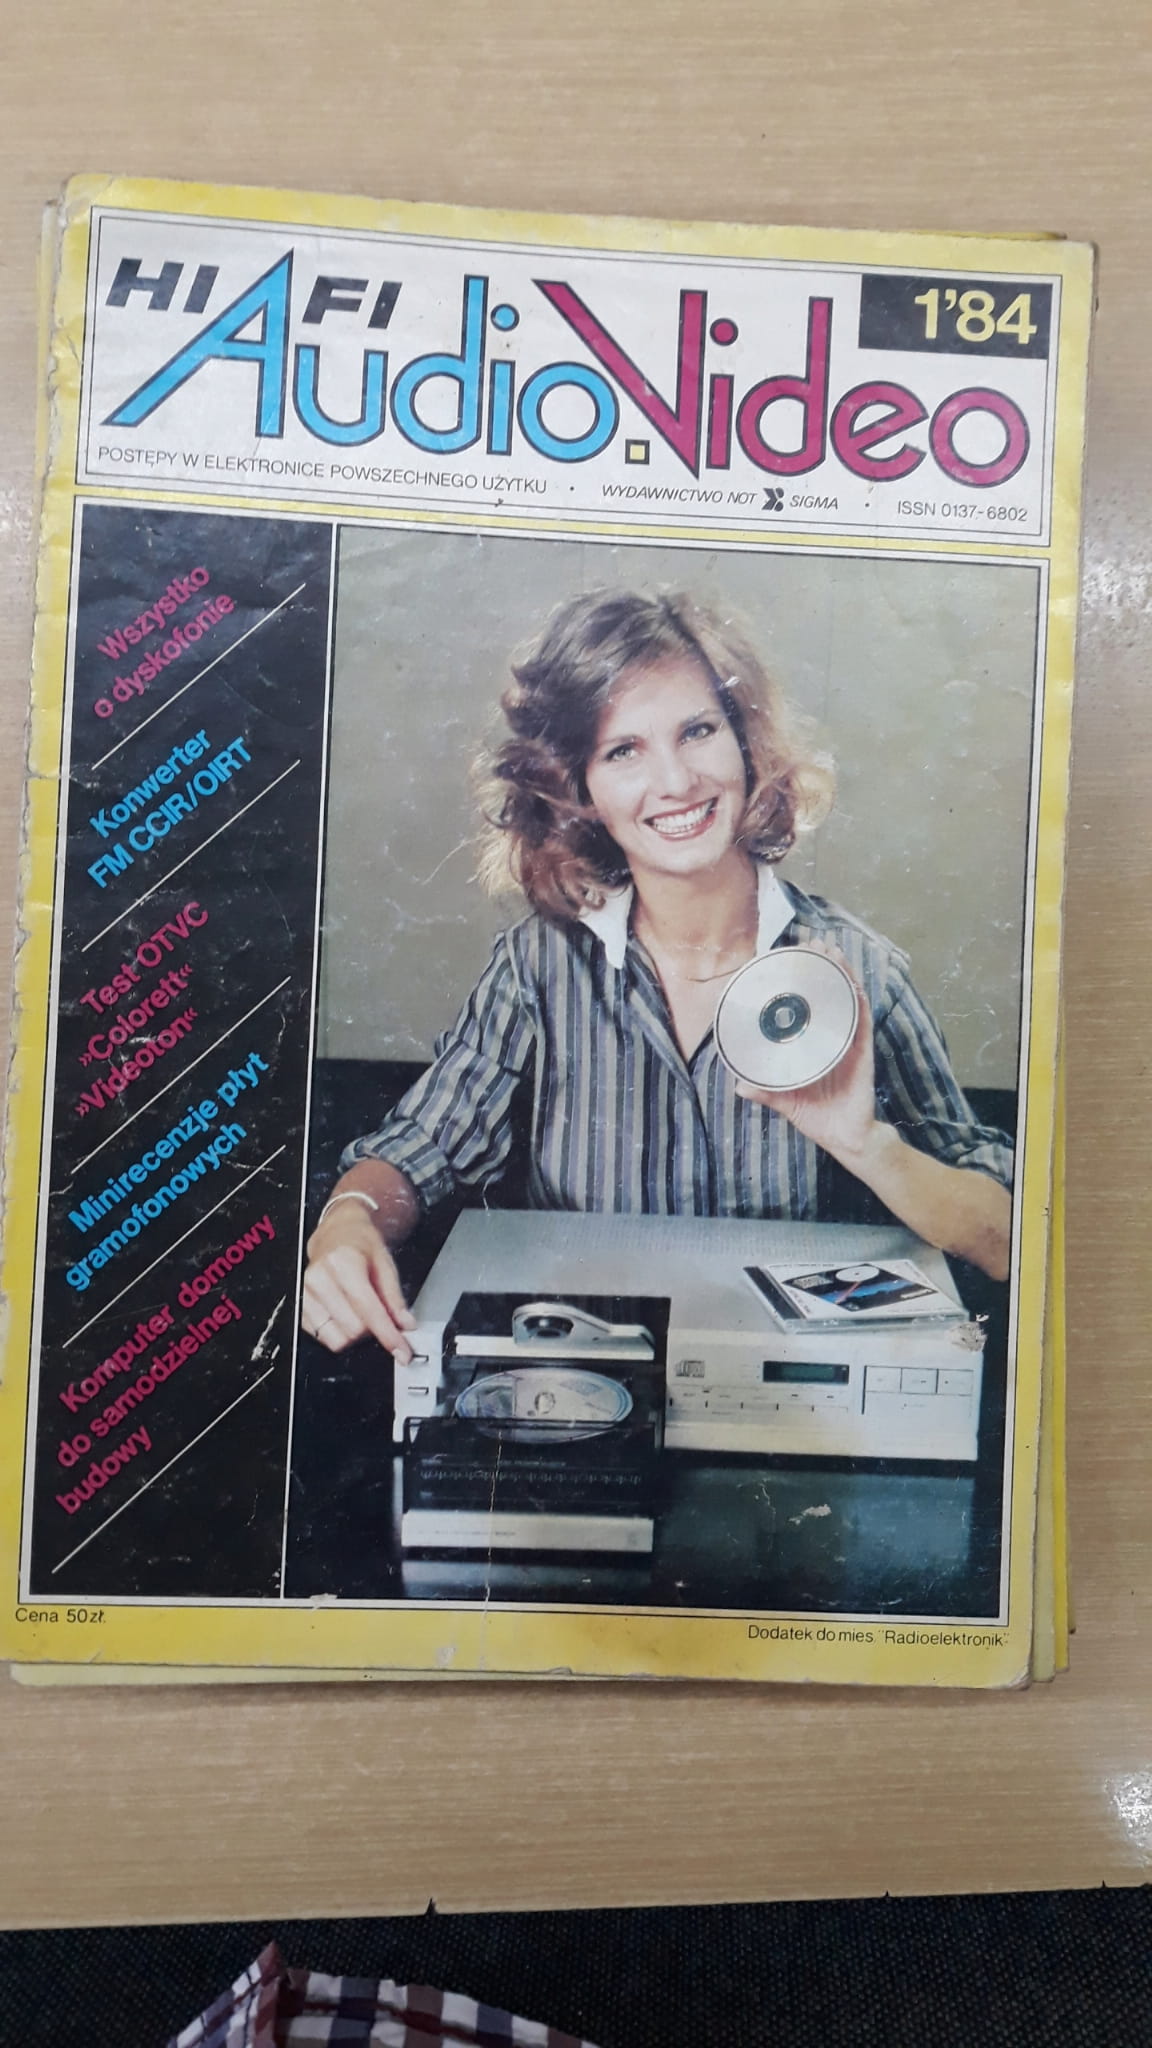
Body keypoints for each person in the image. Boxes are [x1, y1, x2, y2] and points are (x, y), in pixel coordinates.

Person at [302, 589, 1013, 1361]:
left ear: (746, 745)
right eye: (623, 751)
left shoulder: (860, 970)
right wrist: (349, 1220)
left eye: (698, 731)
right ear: (579, 791)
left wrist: (870, 1146)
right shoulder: (537, 968)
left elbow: (1007, 1239)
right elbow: (414, 1153)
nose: (675, 782)